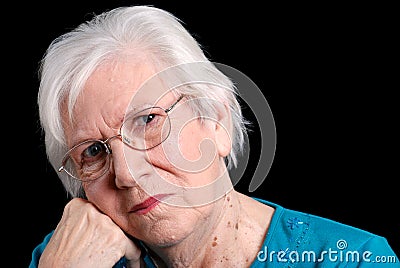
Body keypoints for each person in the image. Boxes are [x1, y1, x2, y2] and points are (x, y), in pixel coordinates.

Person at [29, 5, 398, 268]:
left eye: (147, 121)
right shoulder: (69, 256)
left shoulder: (353, 258)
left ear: (216, 120)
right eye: (93, 151)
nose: (125, 174)